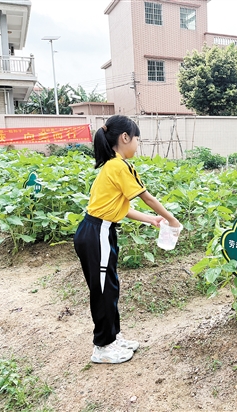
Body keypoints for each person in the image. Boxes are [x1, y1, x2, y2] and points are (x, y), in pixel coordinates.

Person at [73, 115, 180, 364]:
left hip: (101, 231)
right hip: (96, 233)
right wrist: (171, 220)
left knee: (109, 287)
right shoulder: (117, 166)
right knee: (102, 290)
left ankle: (113, 337)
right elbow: (148, 198)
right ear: (124, 138)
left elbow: (120, 207)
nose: (137, 145)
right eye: (137, 140)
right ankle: (102, 347)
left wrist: (151, 220)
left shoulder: (115, 166)